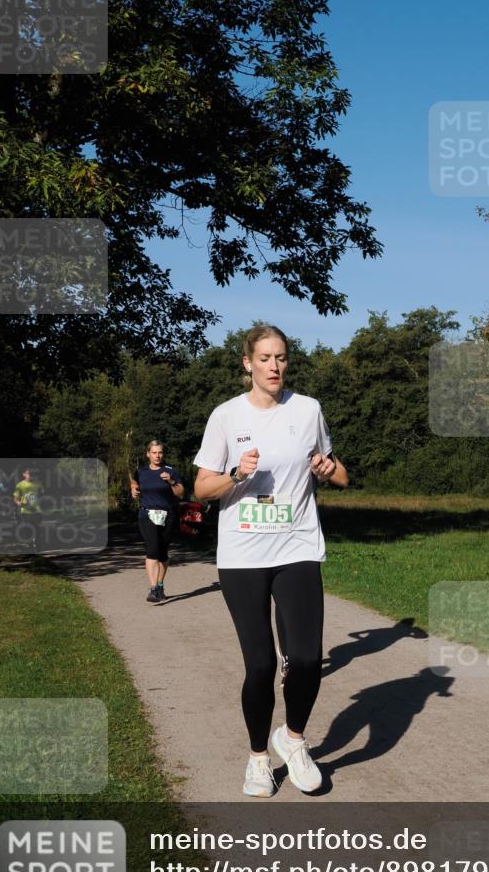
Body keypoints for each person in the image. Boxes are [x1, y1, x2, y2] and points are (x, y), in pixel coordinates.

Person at [193, 324, 348, 798]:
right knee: (260, 665)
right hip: (242, 554)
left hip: (297, 545)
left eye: (280, 357)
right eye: (264, 358)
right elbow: (202, 489)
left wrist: (327, 469)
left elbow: (339, 473)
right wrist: (237, 474)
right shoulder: (225, 416)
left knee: (305, 659)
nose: (274, 366)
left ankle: (293, 739)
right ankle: (259, 758)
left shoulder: (308, 410)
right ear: (248, 364)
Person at [130, 440, 184, 603]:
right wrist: (133, 489)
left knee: (162, 553)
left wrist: (171, 482)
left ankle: (160, 585)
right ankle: (153, 589)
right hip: (147, 515)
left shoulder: (170, 471)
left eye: (160, 452)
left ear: (163, 454)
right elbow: (134, 482)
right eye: (154, 452)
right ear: (148, 454)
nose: (157, 455)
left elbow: (181, 494)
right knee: (152, 549)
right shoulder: (141, 471)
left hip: (167, 516)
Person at [13, 466, 44, 549]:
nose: (31, 475)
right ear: (24, 474)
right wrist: (22, 504)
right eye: (29, 473)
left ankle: (38, 546)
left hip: (37, 511)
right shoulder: (20, 485)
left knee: (38, 529)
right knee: (28, 530)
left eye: (32, 473)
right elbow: (15, 500)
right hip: (26, 512)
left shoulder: (38, 483)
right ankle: (30, 546)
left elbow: (42, 496)